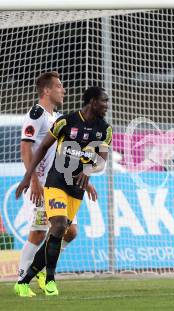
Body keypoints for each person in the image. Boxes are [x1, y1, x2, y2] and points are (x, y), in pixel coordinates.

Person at [14, 86, 112, 297]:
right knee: (57, 226)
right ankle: (49, 279)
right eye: (104, 101)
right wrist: (27, 177)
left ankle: (26, 280)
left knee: (61, 233)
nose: (107, 105)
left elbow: (102, 162)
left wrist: (88, 169)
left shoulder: (105, 129)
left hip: (76, 190)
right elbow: (41, 148)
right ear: (92, 102)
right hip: (55, 183)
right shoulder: (66, 122)